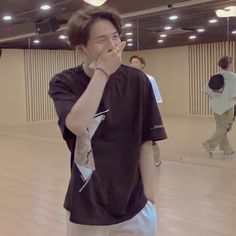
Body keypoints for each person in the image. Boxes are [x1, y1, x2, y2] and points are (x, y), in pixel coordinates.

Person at [48, 6, 167, 236]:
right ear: (82, 48)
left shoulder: (138, 81)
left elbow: (146, 143)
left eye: (115, 37)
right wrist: (102, 72)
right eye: (101, 40)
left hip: (135, 205)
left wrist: (150, 199)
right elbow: (77, 124)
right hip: (86, 205)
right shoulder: (64, 82)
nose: (112, 46)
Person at [130, 55, 163, 167]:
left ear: (142, 65)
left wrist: (153, 114)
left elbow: (156, 97)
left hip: (147, 112)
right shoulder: (127, 78)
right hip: (132, 113)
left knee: (150, 137)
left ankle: (156, 159)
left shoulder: (149, 78)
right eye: (132, 62)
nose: (133, 64)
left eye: (136, 62)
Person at [202, 56, 236, 157]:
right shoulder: (233, 76)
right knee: (224, 128)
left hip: (216, 106)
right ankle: (208, 144)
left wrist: (215, 98)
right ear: (229, 64)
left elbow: (206, 90)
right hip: (227, 106)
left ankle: (226, 148)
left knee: (220, 128)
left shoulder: (215, 75)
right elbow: (234, 94)